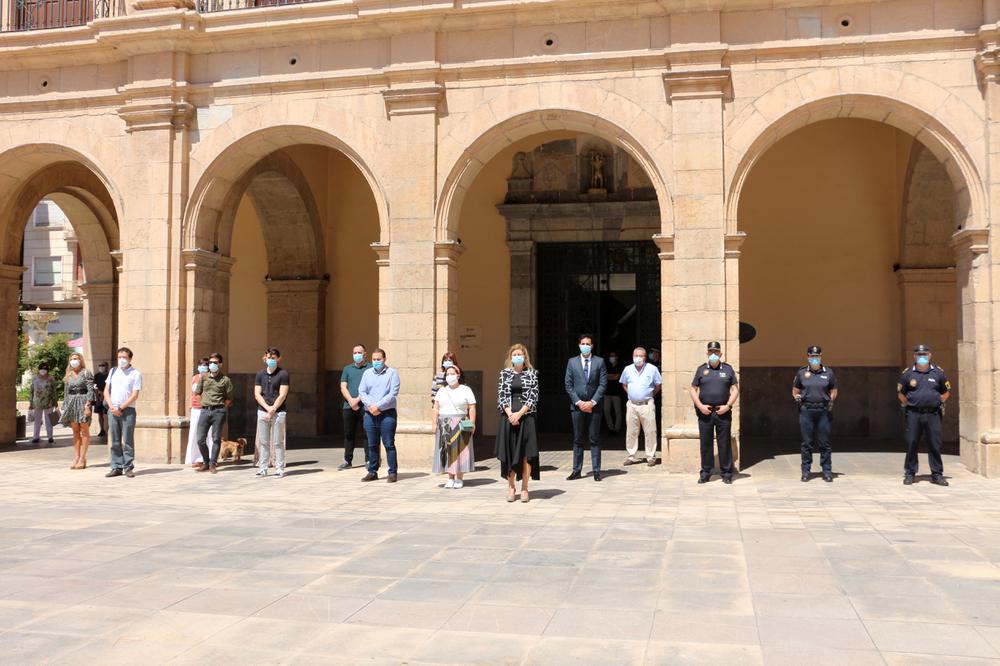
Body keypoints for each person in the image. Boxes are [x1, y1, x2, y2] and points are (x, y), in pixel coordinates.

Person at [898, 344, 951, 486]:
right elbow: (901, 394)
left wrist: (937, 401)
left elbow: (946, 392)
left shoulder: (938, 373)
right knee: (911, 443)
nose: (922, 357)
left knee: (934, 444)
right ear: (914, 356)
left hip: (933, 414)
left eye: (925, 354)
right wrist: (910, 404)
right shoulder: (908, 374)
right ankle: (910, 473)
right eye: (919, 354)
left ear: (930, 355)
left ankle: (937, 474)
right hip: (914, 414)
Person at [690, 341, 739, 484]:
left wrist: (728, 406)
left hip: (723, 411)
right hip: (705, 412)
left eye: (716, 352)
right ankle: (706, 472)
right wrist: (699, 406)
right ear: (707, 354)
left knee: (724, 443)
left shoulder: (728, 369)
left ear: (720, 354)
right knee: (706, 444)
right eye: (710, 352)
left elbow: (735, 389)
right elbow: (693, 389)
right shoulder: (701, 370)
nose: (713, 354)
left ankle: (726, 472)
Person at [496, 343, 540, 502]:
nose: (517, 357)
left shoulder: (532, 374)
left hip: (526, 418)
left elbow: (533, 398)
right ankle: (511, 486)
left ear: (525, 357)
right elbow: (501, 396)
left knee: (526, 454)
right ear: (511, 357)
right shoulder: (504, 374)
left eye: (519, 355)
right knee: (510, 452)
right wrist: (510, 414)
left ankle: (525, 488)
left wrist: (520, 414)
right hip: (508, 418)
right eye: (514, 355)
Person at [565, 333, 608, 481]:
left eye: (588, 344)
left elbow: (603, 384)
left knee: (594, 438)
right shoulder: (572, 362)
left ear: (592, 346)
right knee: (578, 439)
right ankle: (576, 470)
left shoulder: (599, 362)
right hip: (577, 407)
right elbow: (568, 384)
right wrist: (579, 403)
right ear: (579, 345)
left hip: (594, 407)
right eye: (583, 344)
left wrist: (592, 402)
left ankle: (596, 470)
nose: (585, 346)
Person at [793, 345, 838, 483]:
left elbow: (834, 390)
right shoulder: (801, 373)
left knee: (824, 443)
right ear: (807, 357)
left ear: (821, 356)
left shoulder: (829, 373)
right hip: (806, 410)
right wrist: (797, 397)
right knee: (807, 443)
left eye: (816, 356)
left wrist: (831, 400)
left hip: (823, 411)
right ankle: (806, 471)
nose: (814, 358)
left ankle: (827, 471)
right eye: (812, 356)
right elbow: (795, 390)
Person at [358, 348, 400, 483]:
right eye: (374, 360)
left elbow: (392, 394)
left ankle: (392, 472)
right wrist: (371, 406)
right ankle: (372, 471)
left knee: (388, 444)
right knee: (372, 444)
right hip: (370, 414)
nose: (376, 362)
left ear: (384, 359)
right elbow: (362, 391)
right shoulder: (367, 373)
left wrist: (378, 406)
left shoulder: (392, 373)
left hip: (387, 414)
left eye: (379, 359)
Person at [432, 364, 476, 488]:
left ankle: (459, 478)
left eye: (452, 373)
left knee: (461, 451)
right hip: (444, 424)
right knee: (447, 451)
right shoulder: (441, 390)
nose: (450, 376)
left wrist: (472, 423)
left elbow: (472, 407)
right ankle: (450, 477)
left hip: (460, 423)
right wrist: (434, 423)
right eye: (448, 374)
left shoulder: (466, 390)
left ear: (458, 375)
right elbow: (435, 407)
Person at [621, 347, 662, 467]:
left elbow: (658, 385)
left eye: (641, 356)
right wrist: (632, 394)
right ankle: (631, 456)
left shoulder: (652, 369)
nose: (638, 358)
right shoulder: (627, 369)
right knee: (631, 432)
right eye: (636, 355)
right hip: (632, 405)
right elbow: (624, 384)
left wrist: (649, 395)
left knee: (650, 431)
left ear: (645, 357)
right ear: (633, 356)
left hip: (646, 405)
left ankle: (651, 456)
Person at [104, 347, 142, 478]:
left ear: (130, 359)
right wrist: (111, 407)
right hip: (112, 409)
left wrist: (121, 408)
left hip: (128, 410)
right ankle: (116, 466)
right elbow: (106, 390)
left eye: (124, 357)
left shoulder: (135, 373)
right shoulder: (113, 371)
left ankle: (128, 466)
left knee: (127, 440)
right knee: (114, 440)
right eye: (119, 357)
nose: (121, 360)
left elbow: (135, 394)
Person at [193, 352, 233, 474]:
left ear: (220, 364)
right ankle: (205, 461)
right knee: (200, 439)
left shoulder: (225, 380)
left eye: (215, 363)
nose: (212, 365)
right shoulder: (203, 377)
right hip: (205, 411)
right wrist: (203, 405)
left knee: (216, 439)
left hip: (218, 411)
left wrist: (220, 408)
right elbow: (197, 393)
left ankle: (212, 463)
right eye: (210, 362)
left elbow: (229, 398)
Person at [255, 348, 290, 477]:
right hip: (263, 411)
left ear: (278, 359)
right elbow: (257, 394)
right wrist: (267, 408)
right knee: (263, 442)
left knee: (278, 442)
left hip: (279, 412)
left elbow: (282, 394)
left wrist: (273, 409)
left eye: (273, 358)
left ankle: (279, 468)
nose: (270, 360)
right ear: (265, 358)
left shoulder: (283, 374)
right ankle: (263, 468)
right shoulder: (260, 374)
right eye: (269, 357)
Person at [60, 353, 95, 469]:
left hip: (83, 402)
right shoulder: (68, 375)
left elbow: (90, 390)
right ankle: (76, 456)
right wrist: (65, 407)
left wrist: (88, 405)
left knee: (84, 430)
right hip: (71, 402)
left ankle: (82, 458)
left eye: (76, 359)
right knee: (75, 430)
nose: (74, 361)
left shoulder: (86, 373)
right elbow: (66, 392)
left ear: (81, 360)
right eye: (72, 359)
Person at [338, 344, 371, 470]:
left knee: (367, 433)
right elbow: (343, 387)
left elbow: (370, 387)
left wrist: (357, 400)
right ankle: (347, 460)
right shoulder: (347, 369)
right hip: (348, 406)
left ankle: (369, 460)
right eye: (354, 352)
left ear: (365, 354)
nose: (357, 354)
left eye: (359, 352)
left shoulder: (370, 368)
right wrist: (351, 401)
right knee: (348, 434)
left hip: (365, 406)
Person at [185, 357, 211, 467]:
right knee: (194, 433)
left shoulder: (210, 378)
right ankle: (195, 458)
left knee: (208, 434)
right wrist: (190, 406)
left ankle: (208, 458)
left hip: (207, 408)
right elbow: (192, 394)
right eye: (201, 365)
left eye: (205, 365)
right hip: (196, 408)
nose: (202, 367)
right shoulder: (194, 378)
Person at [29, 362, 57, 444]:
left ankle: (50, 437)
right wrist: (30, 403)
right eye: (41, 369)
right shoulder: (34, 378)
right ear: (39, 369)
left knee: (48, 420)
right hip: (37, 403)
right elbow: (31, 391)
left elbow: (54, 391)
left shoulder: (51, 379)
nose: (43, 370)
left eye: (45, 369)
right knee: (37, 420)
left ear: (48, 370)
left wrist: (55, 402)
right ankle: (36, 437)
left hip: (49, 402)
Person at [604, 351, 624, 434]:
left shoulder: (620, 366)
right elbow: (603, 376)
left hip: (616, 393)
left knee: (618, 412)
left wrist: (610, 376)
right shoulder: (607, 366)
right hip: (607, 393)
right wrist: (612, 376)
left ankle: (617, 429)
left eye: (613, 356)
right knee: (606, 411)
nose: (611, 357)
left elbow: (617, 377)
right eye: (610, 356)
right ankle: (610, 428)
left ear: (617, 357)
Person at [93, 361, 108, 438]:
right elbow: (94, 387)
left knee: (108, 414)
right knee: (100, 414)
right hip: (98, 397)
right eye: (100, 365)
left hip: (107, 397)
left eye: (103, 365)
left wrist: (105, 395)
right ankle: (102, 429)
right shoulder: (96, 376)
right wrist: (97, 397)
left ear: (107, 366)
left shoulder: (109, 375)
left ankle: (108, 428)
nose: (101, 367)